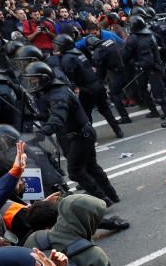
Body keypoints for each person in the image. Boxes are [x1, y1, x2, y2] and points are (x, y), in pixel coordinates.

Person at [22, 61, 119, 206]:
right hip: (83, 132)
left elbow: (58, 117)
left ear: (44, 78)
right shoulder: (53, 90)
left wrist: (43, 132)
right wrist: (33, 117)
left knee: (75, 171)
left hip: (80, 135)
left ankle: (103, 199)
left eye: (34, 79)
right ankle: (111, 194)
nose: (32, 83)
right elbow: (53, 115)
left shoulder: (58, 94)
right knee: (91, 166)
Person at [57, 34, 124, 139]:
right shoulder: (78, 53)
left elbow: (71, 77)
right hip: (97, 85)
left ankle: (89, 138)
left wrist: (74, 90)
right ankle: (118, 131)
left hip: (87, 89)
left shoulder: (67, 59)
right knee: (106, 110)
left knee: (85, 115)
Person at [122, 15, 166, 127]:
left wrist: (135, 63)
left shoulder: (136, 38)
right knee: (161, 92)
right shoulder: (148, 34)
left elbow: (143, 60)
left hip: (152, 69)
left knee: (160, 96)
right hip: (156, 67)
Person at [85, 35, 131, 125]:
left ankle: (125, 117)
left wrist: (99, 82)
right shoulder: (109, 41)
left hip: (119, 72)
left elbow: (100, 70)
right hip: (128, 67)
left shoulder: (98, 52)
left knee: (113, 93)